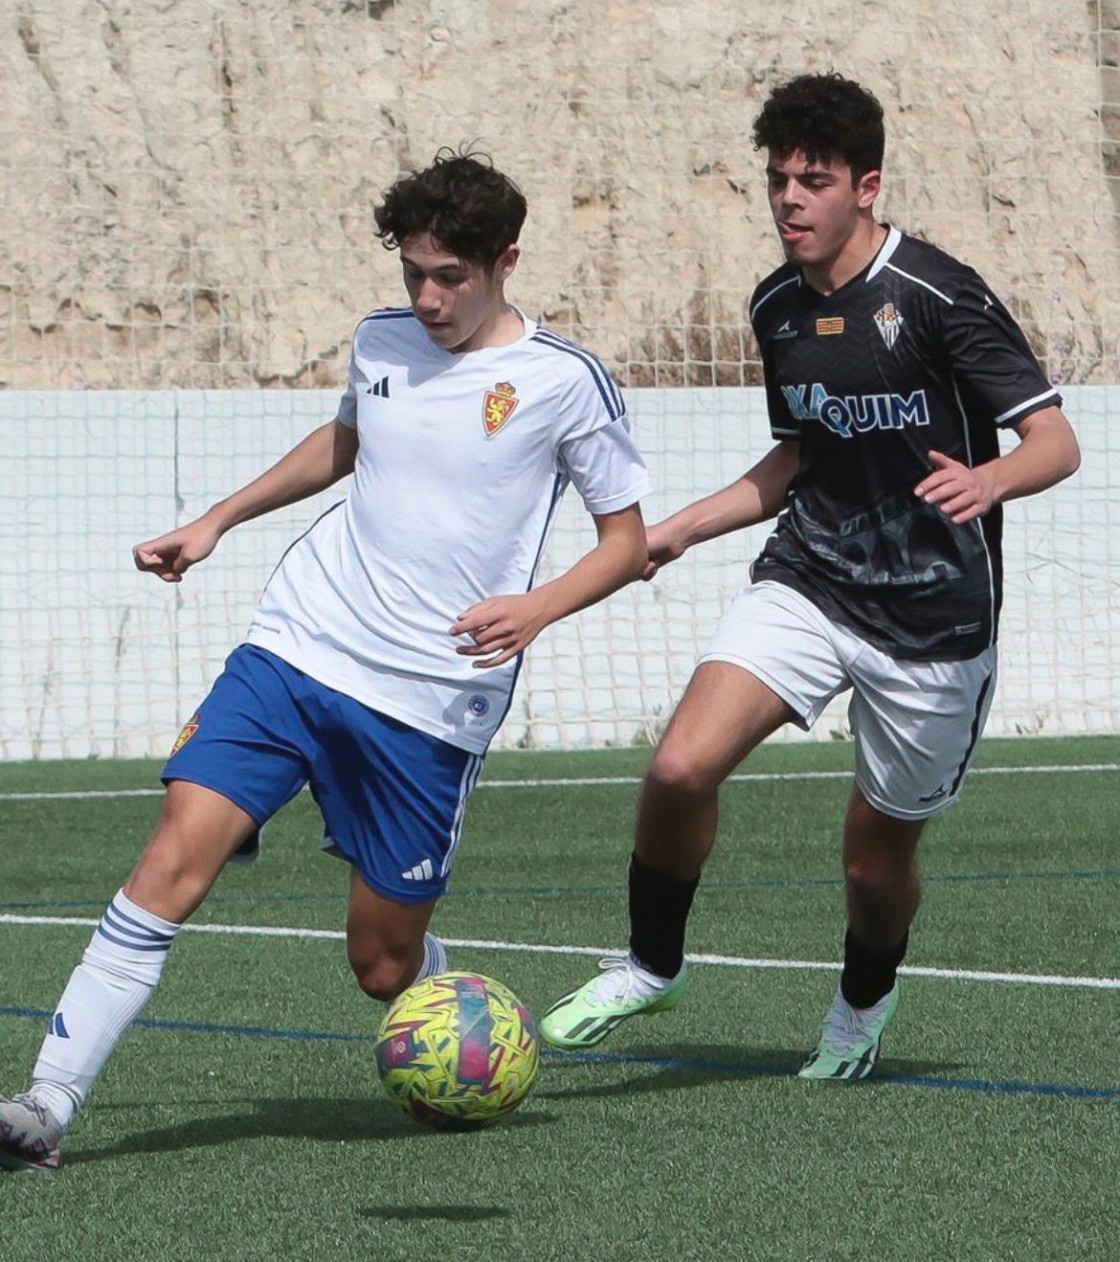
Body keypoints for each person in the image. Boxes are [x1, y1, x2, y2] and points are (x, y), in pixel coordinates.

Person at [0, 150, 650, 1171]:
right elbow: (347, 439)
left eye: (451, 277)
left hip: (431, 701)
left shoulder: (565, 382)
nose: (427, 298)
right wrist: (216, 519)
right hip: (300, 644)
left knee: (379, 962)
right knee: (175, 853)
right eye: (413, 273)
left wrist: (538, 606)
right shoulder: (382, 338)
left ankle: (461, 1001)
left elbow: (624, 539)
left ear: (504, 261)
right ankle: (46, 1102)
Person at [540, 73, 1081, 1080]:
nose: (790, 200)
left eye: (813, 181)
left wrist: (990, 477)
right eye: (778, 180)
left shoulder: (937, 295)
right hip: (811, 577)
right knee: (676, 768)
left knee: (873, 866)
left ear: (865, 187)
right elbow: (797, 458)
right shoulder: (776, 306)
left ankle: (860, 1002)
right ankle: (652, 962)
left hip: (932, 622)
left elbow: (1054, 440)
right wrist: (683, 528)